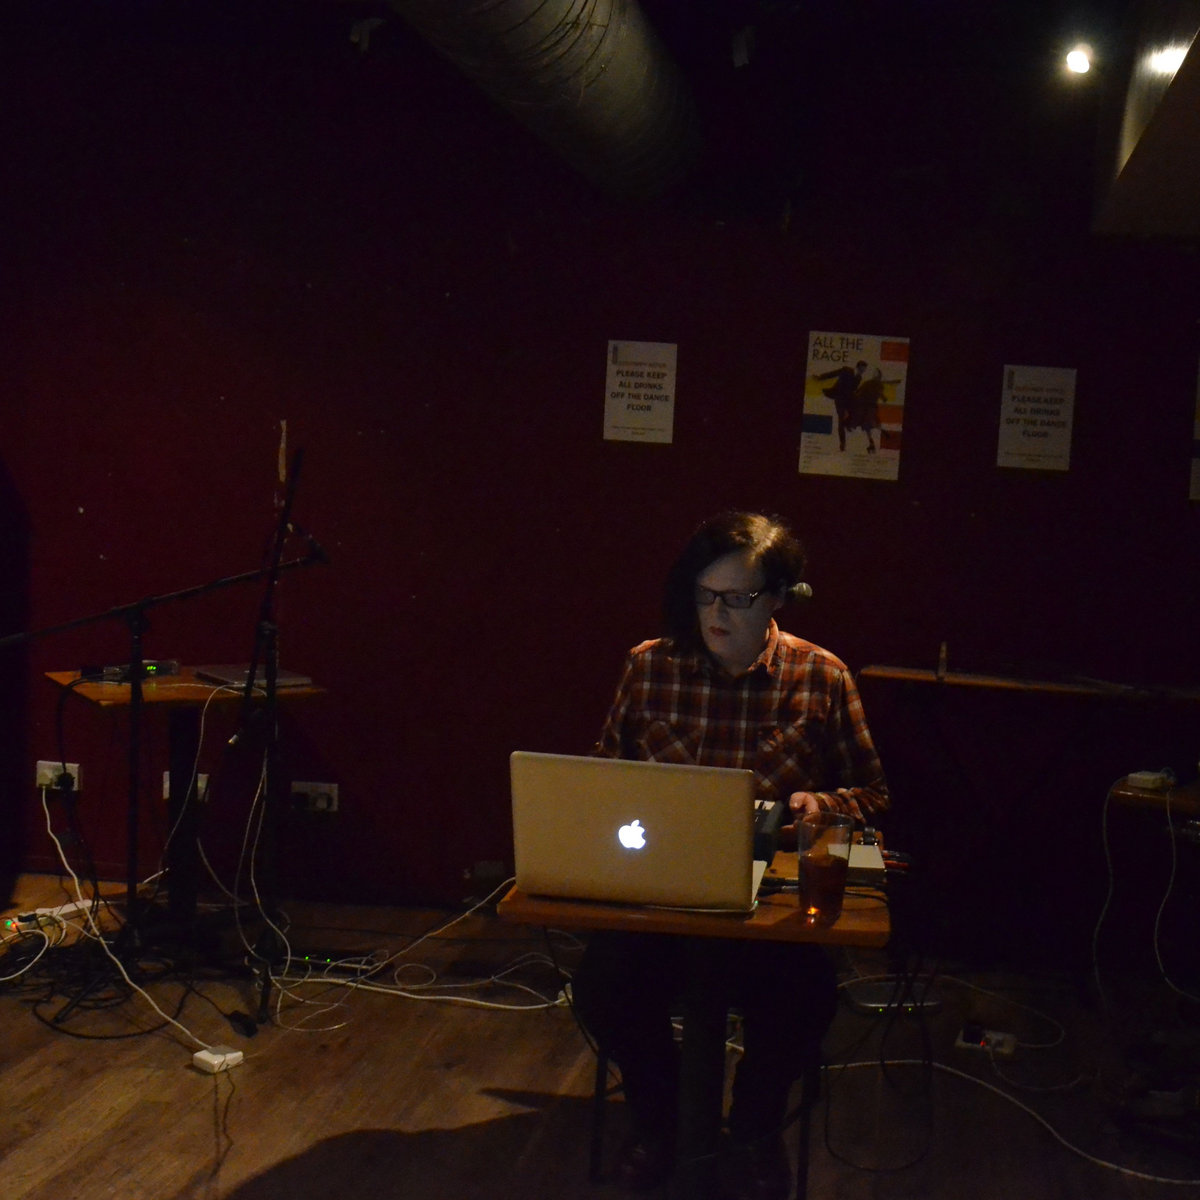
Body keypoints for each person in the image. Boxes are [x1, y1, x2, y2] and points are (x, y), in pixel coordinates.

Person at [571, 511, 888, 1200]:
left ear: (778, 597)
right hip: (663, 892)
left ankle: (752, 1127)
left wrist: (820, 805)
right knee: (603, 986)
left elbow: (873, 793)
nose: (716, 614)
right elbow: (602, 775)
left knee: (805, 1000)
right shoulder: (650, 664)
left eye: (737, 598)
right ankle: (661, 1120)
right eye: (705, 594)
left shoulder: (821, 675)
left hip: (763, 906)